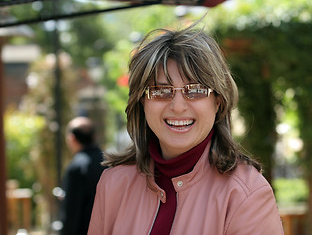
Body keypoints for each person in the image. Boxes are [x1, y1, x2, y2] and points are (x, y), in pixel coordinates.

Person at [88, 23, 284, 235]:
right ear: (142, 101)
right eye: (160, 91)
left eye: (196, 90)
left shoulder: (246, 193)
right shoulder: (114, 184)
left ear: (218, 101)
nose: (178, 106)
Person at [59, 116, 105, 235]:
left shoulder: (76, 168)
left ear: (72, 139)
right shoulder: (110, 162)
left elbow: (71, 214)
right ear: (94, 136)